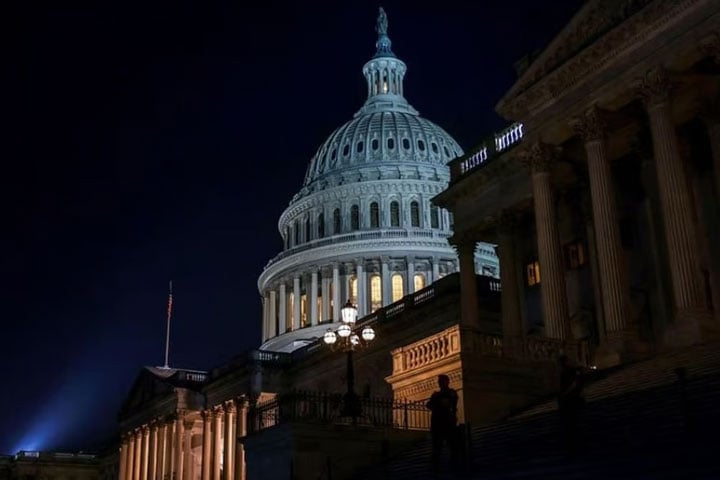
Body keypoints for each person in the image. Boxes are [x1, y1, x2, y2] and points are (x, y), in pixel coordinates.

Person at [426, 374, 459, 469]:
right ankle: (437, 464)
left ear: (447, 382)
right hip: (438, 423)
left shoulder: (450, 393)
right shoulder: (437, 394)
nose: (440, 383)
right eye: (439, 381)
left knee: (450, 444)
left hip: (447, 422)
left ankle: (452, 463)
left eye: (441, 381)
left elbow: (452, 403)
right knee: (437, 445)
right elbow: (429, 405)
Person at [557, 354, 585, 454]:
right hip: (570, 401)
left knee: (571, 426)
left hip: (570, 401)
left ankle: (572, 447)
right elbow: (575, 384)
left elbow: (575, 384)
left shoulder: (569, 371)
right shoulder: (569, 372)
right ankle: (572, 447)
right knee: (571, 425)